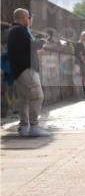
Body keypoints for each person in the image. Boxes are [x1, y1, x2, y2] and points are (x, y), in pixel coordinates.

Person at [8, 8, 50, 137]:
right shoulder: (19, 30)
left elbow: (26, 49)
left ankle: (24, 126)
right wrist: (43, 42)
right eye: (28, 17)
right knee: (37, 96)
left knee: (24, 99)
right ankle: (34, 126)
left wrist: (37, 52)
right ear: (24, 17)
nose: (29, 20)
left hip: (20, 70)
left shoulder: (15, 31)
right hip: (26, 70)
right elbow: (33, 45)